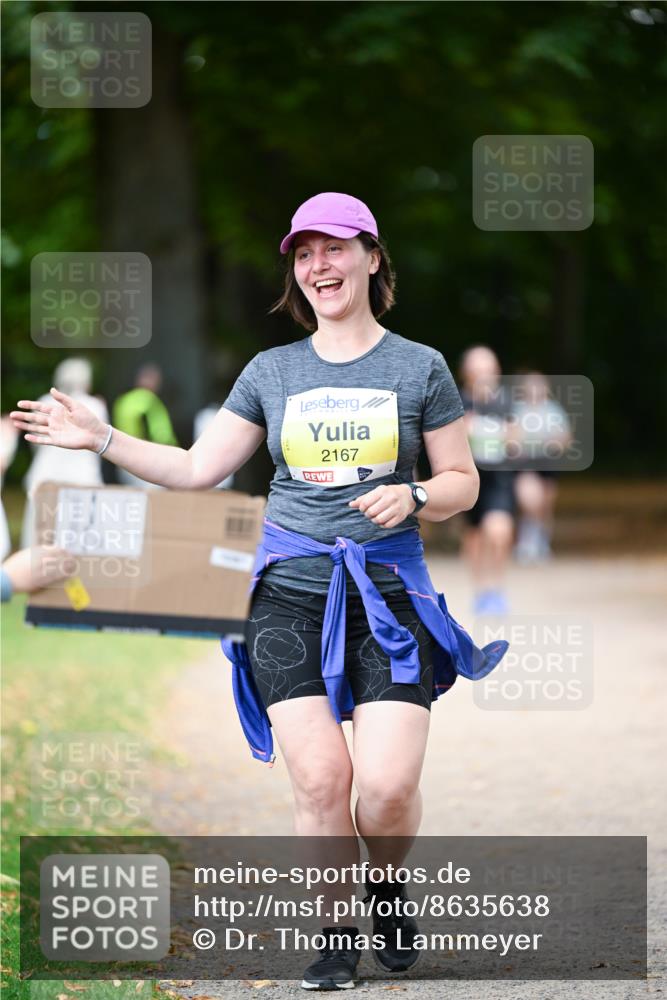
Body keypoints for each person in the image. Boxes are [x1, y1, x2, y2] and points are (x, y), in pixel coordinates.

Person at [10, 191, 508, 992]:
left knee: (384, 792)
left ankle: (386, 884)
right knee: (321, 781)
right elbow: (195, 470)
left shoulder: (419, 366)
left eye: (335, 248)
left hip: (387, 597)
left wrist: (415, 495)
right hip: (284, 596)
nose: (319, 265)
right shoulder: (271, 371)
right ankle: (335, 934)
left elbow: (462, 481)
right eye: (304, 253)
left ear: (372, 258)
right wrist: (98, 437)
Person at [20, 358, 108, 548]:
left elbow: (34, 441)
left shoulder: (44, 401)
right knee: (80, 541)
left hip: (45, 475)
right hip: (82, 478)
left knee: (38, 537)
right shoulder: (95, 406)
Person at [458, 345, 516, 615]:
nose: (484, 376)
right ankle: (481, 590)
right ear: (467, 374)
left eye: (489, 371)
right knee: (475, 538)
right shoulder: (458, 403)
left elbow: (519, 441)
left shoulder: (507, 403)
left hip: (499, 479)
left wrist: (508, 436)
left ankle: (497, 587)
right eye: (477, 371)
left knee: (499, 530)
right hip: (470, 479)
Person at [511, 371, 572, 564]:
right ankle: (526, 541)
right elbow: (510, 437)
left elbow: (565, 438)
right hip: (526, 463)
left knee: (545, 506)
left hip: (548, 463)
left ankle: (541, 542)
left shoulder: (553, 411)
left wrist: (553, 443)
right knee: (530, 501)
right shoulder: (518, 409)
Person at [112, 363, 178, 487]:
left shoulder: (123, 400)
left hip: (123, 457)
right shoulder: (150, 401)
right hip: (147, 458)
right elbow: (161, 434)